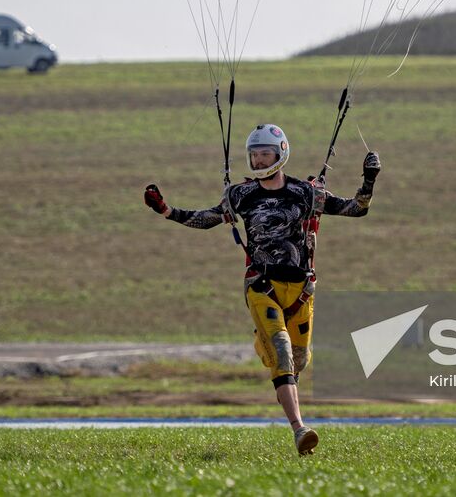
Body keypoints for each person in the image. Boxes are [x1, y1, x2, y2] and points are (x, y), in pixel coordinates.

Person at [143, 123, 381, 455]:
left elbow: (356, 209)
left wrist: (369, 180)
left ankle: (266, 346)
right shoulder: (241, 195)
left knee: (298, 361)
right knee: (282, 355)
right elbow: (207, 218)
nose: (257, 162)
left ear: (280, 153)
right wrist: (167, 210)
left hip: (300, 290)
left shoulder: (304, 193)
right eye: (253, 156)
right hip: (260, 284)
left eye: (264, 155)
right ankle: (300, 429)